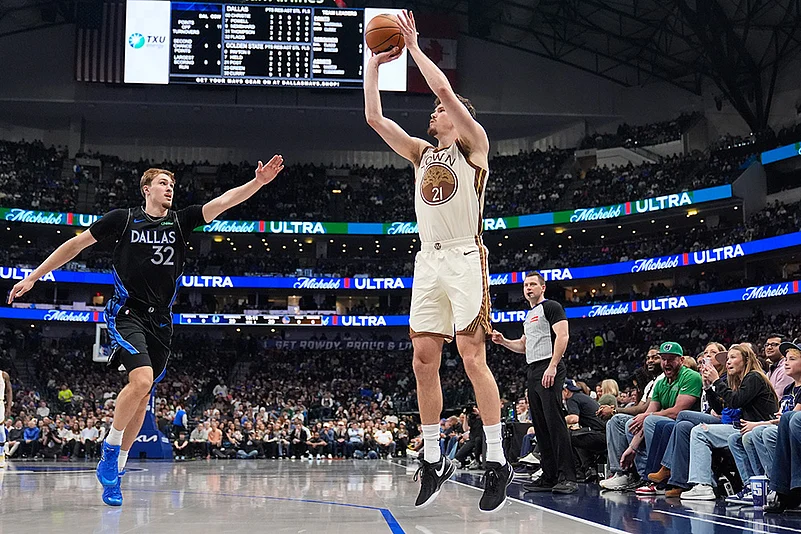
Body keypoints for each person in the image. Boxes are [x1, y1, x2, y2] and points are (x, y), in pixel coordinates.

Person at [7, 157, 284, 506]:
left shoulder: (181, 221)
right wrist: (34, 276)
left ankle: (115, 474)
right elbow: (75, 246)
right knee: (139, 381)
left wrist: (257, 182)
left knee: (144, 395)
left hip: (162, 321)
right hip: (127, 313)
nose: (170, 188)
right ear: (147, 188)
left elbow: (227, 200)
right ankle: (110, 451)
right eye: (163, 183)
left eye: (172, 184)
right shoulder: (122, 219)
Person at [363, 10, 510, 512]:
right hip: (428, 261)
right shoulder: (422, 153)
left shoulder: (475, 146)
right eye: (432, 110)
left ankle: (496, 458)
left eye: (439, 110)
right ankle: (432, 457)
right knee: (423, 361)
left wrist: (415, 46)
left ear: (458, 116)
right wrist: (373, 63)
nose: (433, 112)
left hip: (467, 257)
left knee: (473, 357)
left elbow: (446, 92)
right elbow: (374, 119)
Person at [492, 272, 577, 494]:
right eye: (525, 285)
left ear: (543, 287)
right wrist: (503, 342)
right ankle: (548, 476)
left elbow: (563, 336)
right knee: (540, 425)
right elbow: (523, 346)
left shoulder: (551, 307)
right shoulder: (529, 315)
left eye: (533, 284)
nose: (528, 288)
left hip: (549, 366)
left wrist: (553, 365)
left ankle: (568, 476)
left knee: (555, 423)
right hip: (533, 369)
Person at [681, 344, 777, 501]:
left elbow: (734, 401)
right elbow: (720, 408)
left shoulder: (754, 377)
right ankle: (750, 486)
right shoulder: (741, 380)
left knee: (699, 432)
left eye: (733, 357)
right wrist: (708, 388)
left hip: (760, 427)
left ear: (746, 360)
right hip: (745, 428)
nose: (728, 362)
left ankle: (703, 485)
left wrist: (717, 381)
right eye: (727, 359)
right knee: (732, 438)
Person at [0, 370, 10, 468]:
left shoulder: (3, 374)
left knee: (1, 430)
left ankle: (1, 454)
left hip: (0, 403)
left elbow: (9, 391)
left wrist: (8, 408)